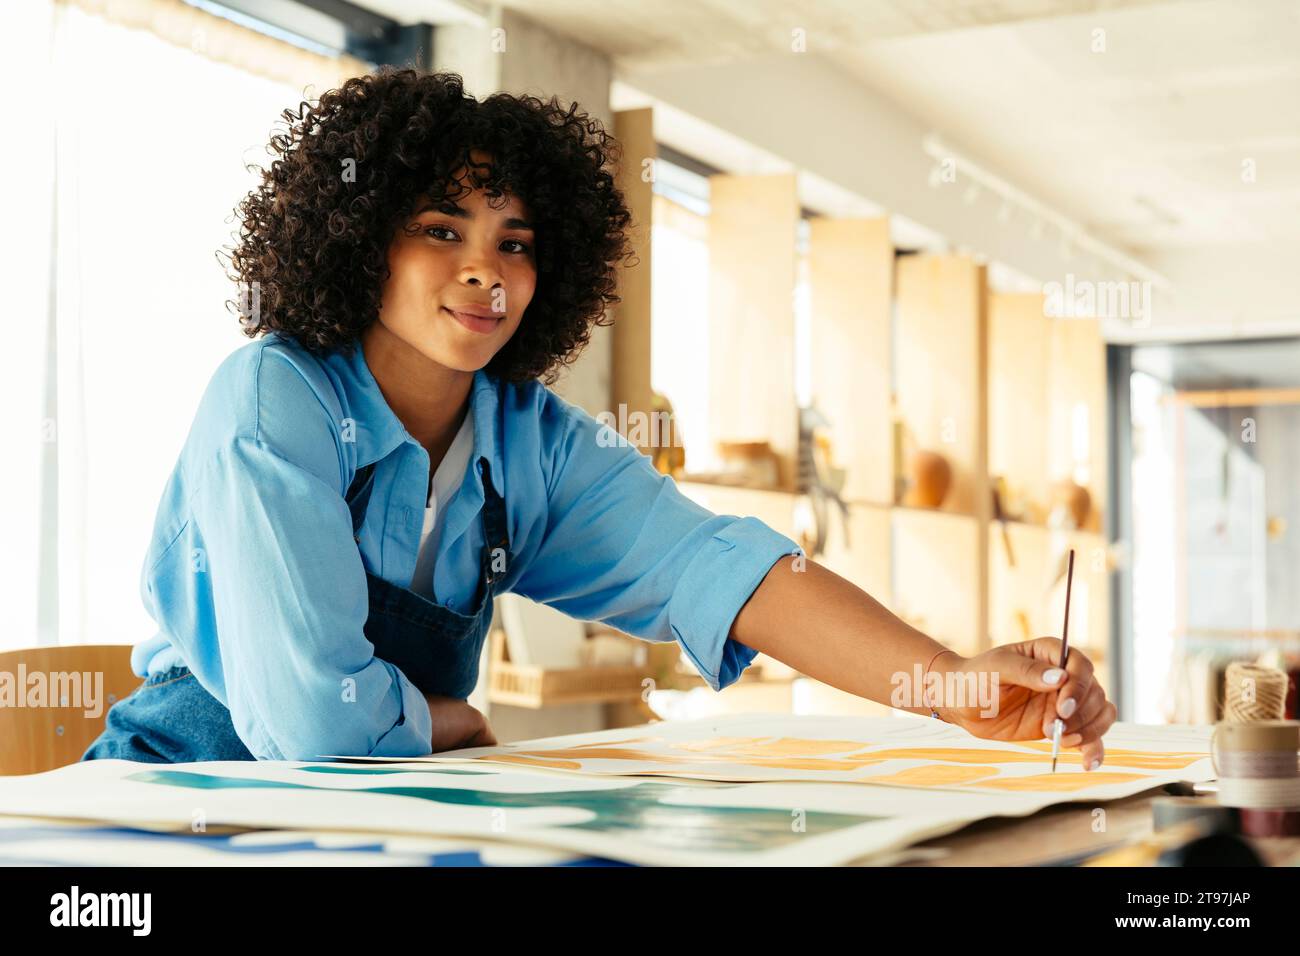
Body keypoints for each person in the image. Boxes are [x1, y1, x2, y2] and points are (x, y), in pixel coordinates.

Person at [83, 68, 1114, 767]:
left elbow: (722, 566)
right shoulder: (274, 395)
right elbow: (308, 726)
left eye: (517, 241)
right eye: (441, 227)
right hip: (170, 810)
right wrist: (443, 716)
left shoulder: (530, 438)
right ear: (361, 241)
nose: (486, 268)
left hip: (371, 817)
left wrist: (947, 683)